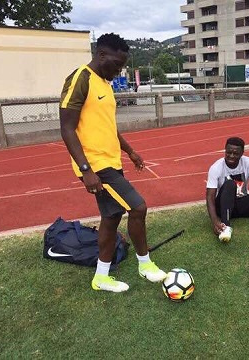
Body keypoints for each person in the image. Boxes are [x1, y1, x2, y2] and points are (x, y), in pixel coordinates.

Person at [59, 33, 167, 293]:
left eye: (122, 67)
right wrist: (86, 171)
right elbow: (67, 128)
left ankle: (101, 277)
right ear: (101, 55)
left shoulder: (105, 84)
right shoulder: (80, 78)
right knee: (138, 207)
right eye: (116, 65)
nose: (119, 71)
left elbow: (108, 127)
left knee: (111, 216)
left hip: (111, 161)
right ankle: (145, 264)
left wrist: (130, 151)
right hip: (96, 166)